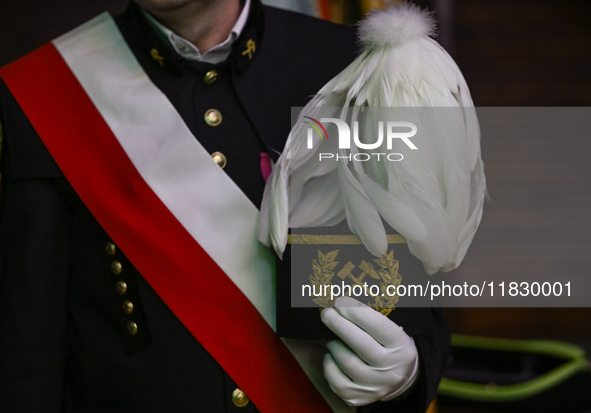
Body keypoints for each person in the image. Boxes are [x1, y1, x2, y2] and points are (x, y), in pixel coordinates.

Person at [0, 0, 450, 411]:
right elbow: (29, 353)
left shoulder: (353, 65)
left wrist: (405, 380)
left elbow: (418, 312)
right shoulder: (50, 90)